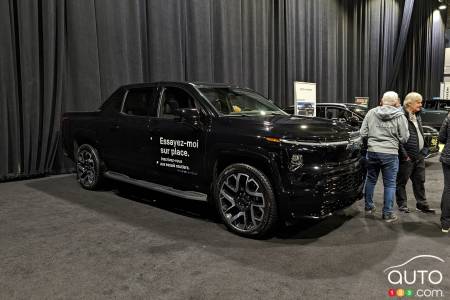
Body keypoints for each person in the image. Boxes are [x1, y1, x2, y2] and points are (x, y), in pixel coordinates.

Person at [360, 91, 409, 222]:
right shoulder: (400, 116)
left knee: (370, 180)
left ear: (382, 100)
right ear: (395, 102)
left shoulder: (371, 113)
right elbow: (404, 138)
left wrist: (371, 142)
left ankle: (369, 207)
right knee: (390, 185)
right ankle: (387, 213)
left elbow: (363, 133)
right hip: (390, 153)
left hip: (372, 152)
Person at [396, 92, 435, 214]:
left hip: (419, 156)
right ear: (409, 103)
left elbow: (420, 133)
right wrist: (404, 155)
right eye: (418, 102)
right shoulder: (400, 116)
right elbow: (397, 137)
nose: (421, 104)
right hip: (407, 156)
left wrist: (425, 149)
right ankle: (402, 205)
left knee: (420, 181)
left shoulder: (417, 115)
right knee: (401, 182)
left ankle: (422, 204)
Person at [438, 113, 450, 233]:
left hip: (448, 157)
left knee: (448, 188)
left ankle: (445, 223)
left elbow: (441, 137)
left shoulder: (449, 117)